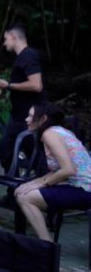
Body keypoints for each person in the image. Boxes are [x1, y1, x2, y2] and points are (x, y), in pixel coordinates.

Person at [15, 102, 91, 241]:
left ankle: (47, 246)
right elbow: (59, 170)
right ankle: (46, 244)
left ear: (43, 119)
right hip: (79, 185)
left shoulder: (49, 134)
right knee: (22, 190)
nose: (26, 119)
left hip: (85, 189)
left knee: (25, 197)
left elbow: (68, 170)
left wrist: (41, 184)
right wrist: (33, 183)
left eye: (30, 116)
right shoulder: (60, 131)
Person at [0, 24, 45, 173]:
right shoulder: (23, 57)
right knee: (7, 152)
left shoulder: (28, 55)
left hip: (29, 117)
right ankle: (17, 184)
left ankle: (41, 182)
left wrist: (8, 85)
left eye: (5, 39)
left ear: (13, 37)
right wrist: (6, 87)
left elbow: (36, 85)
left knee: (34, 157)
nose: (4, 43)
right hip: (18, 116)